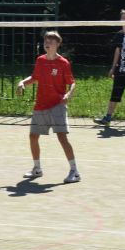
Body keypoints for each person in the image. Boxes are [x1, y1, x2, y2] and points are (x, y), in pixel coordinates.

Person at [16, 30, 80, 183]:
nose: (47, 43)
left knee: (62, 137)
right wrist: (22, 82)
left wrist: (68, 94)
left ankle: (75, 171)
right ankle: (37, 169)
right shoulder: (40, 60)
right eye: (46, 41)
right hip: (41, 105)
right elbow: (35, 77)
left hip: (57, 105)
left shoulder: (63, 63)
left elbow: (72, 83)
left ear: (58, 44)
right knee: (33, 136)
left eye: (51, 41)